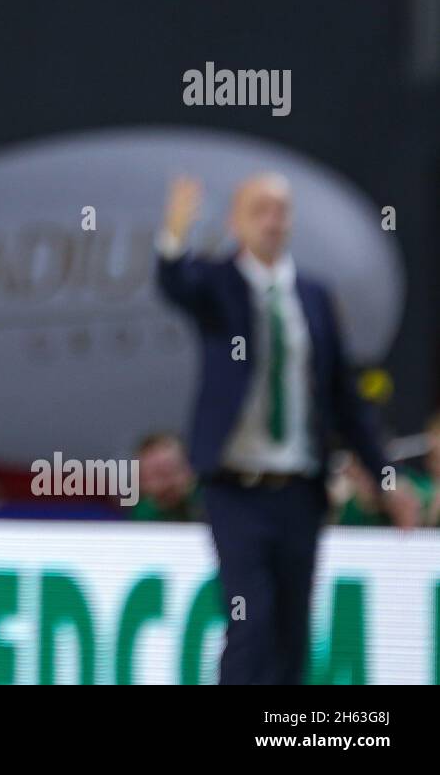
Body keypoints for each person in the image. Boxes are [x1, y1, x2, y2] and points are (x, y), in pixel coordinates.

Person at [155, 173, 417, 684]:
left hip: (300, 490)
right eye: (260, 210)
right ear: (236, 220)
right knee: (250, 622)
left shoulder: (315, 297)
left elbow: (347, 400)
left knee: (292, 633)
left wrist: (386, 478)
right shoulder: (218, 285)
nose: (273, 221)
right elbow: (174, 285)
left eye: (281, 210)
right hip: (236, 488)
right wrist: (174, 236)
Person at [127, 431, 203, 522]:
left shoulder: (209, 504)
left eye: (173, 470)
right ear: (140, 482)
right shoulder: (137, 521)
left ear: (189, 470)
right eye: (158, 474)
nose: (168, 483)